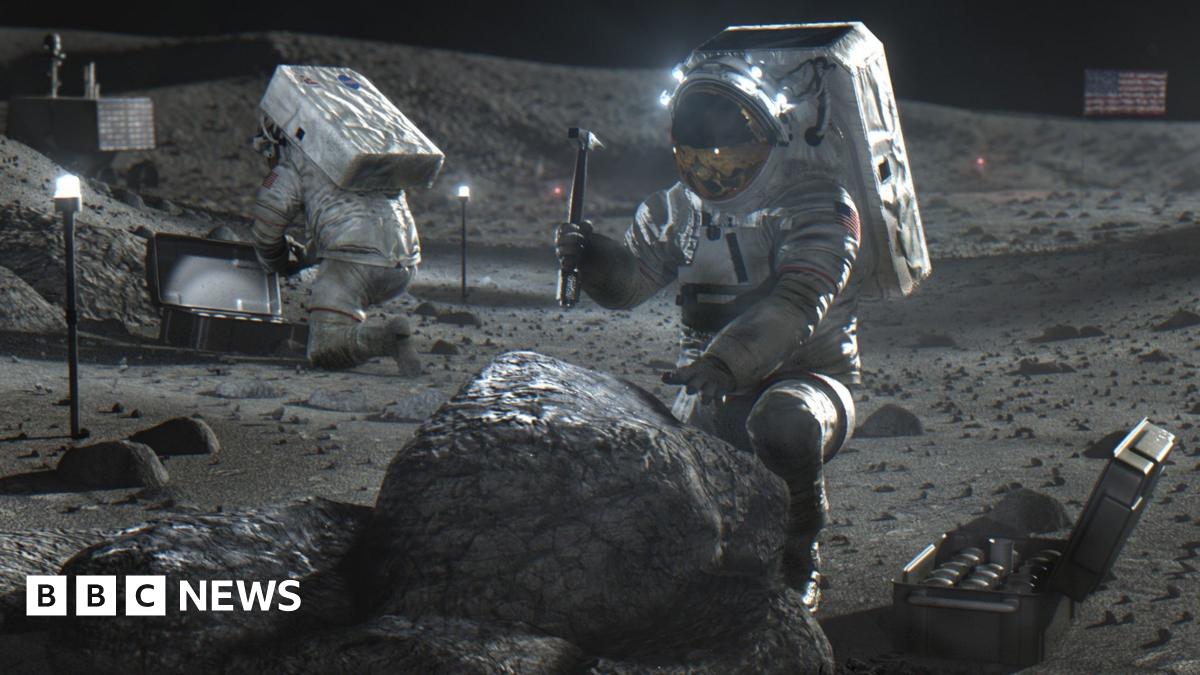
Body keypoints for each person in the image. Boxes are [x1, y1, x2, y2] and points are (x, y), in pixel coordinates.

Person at [555, 23, 929, 612]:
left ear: (768, 136)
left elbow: (799, 302)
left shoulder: (821, 204)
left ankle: (798, 555)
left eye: (730, 156)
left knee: (783, 423)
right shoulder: (674, 209)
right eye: (699, 158)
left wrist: (727, 362)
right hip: (709, 389)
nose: (714, 174)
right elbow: (632, 286)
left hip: (807, 381)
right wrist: (595, 259)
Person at [251, 115, 423, 375]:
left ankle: (387, 339)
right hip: (405, 263)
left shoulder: (295, 158)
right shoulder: (358, 149)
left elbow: (267, 222)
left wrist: (276, 261)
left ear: (276, 140)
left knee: (325, 347)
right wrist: (308, 257)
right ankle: (359, 326)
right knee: (345, 298)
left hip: (354, 262)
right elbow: (352, 216)